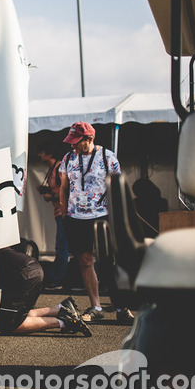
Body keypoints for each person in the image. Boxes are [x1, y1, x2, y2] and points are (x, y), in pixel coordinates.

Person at [59, 121, 134, 324]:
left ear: (89, 139)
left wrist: (118, 215)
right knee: (85, 261)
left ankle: (121, 307)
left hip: (102, 216)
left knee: (108, 262)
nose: (73, 146)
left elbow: (117, 187)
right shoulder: (68, 158)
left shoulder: (107, 157)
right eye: (71, 142)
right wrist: (63, 210)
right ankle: (96, 306)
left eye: (76, 142)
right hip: (76, 218)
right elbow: (64, 187)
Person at [36, 141, 70, 290]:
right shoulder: (54, 169)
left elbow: (67, 191)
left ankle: (57, 279)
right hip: (59, 212)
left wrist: (51, 196)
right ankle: (58, 278)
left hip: (64, 212)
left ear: (49, 154)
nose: (39, 155)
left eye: (41, 152)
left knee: (62, 247)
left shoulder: (59, 169)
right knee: (63, 246)